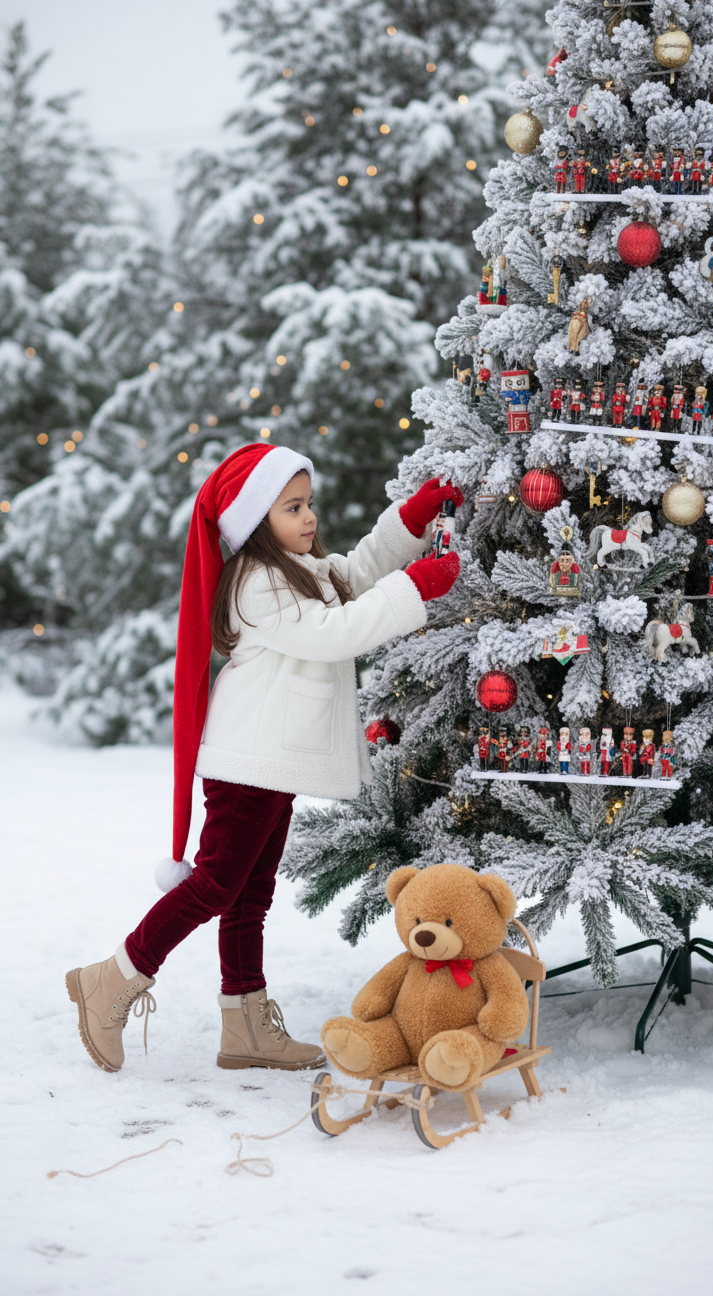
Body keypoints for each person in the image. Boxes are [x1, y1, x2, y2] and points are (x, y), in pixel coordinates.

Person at [65, 445, 462, 1076]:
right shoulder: (256, 582)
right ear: (254, 520)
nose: (309, 517)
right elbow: (338, 630)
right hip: (248, 761)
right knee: (217, 883)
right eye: (292, 507)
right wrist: (415, 588)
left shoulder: (301, 568)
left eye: (309, 503)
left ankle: (244, 1025)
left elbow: (357, 573)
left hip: (274, 761)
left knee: (250, 895)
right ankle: (113, 978)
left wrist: (410, 521)